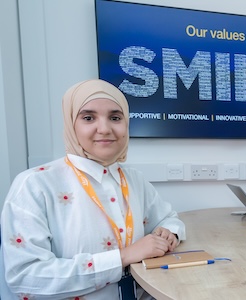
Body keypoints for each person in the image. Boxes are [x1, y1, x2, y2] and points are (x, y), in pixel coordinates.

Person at [0, 79, 186, 299]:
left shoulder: (134, 180)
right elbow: (26, 278)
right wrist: (122, 258)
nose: (105, 129)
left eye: (115, 118)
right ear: (71, 124)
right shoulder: (34, 185)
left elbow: (169, 218)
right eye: (88, 118)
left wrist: (169, 231)